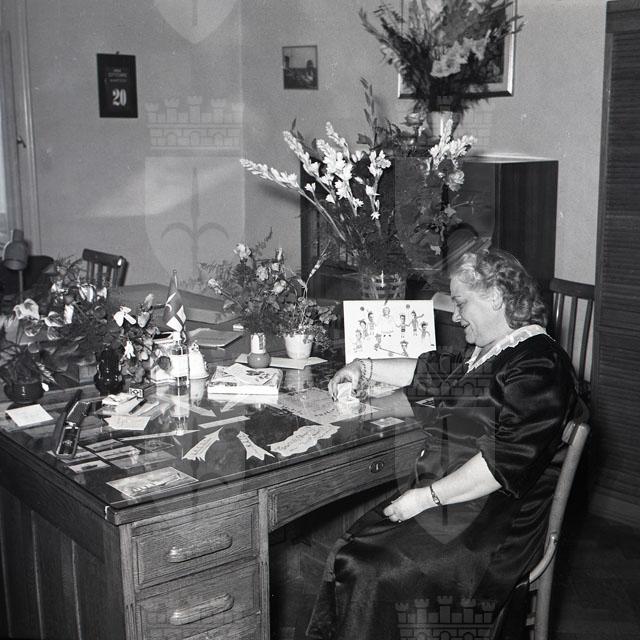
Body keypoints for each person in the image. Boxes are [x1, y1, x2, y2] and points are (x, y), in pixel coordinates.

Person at [306, 249, 582, 640]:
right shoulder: (492, 350)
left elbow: (500, 464)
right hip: (457, 500)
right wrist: (362, 367)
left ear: (495, 297)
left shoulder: (541, 365)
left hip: (495, 521)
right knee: (351, 552)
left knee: (370, 567)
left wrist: (423, 499)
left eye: (461, 303)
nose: (455, 316)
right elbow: (429, 371)